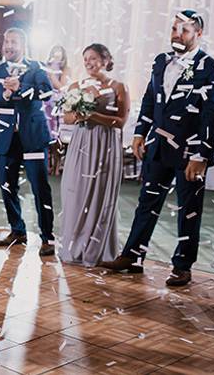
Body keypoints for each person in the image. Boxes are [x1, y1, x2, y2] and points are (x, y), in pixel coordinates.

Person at [100, 11, 214, 286]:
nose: (177, 34)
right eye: (175, 29)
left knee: (189, 208)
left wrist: (202, 154)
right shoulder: (161, 61)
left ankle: (182, 266)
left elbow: (212, 113)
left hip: (190, 151)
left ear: (198, 34)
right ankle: (132, 256)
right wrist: (140, 132)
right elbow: (151, 97)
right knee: (147, 203)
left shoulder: (209, 66)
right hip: (158, 146)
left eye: (185, 31)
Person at [0, 27, 56, 256]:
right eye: (6, 42)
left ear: (23, 45)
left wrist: (20, 88)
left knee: (40, 187)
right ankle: (17, 230)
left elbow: (47, 94)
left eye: (13, 42)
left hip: (32, 137)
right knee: (6, 184)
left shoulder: (36, 68)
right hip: (6, 138)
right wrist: (3, 96)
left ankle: (47, 237)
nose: (8, 46)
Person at [58, 44, 128, 266]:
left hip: (106, 143)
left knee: (100, 192)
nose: (89, 63)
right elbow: (67, 118)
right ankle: (75, 246)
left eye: (94, 58)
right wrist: (79, 115)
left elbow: (121, 122)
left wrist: (93, 115)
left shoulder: (118, 87)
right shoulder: (76, 86)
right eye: (86, 58)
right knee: (76, 191)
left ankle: (97, 249)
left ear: (106, 60)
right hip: (82, 143)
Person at [44, 44, 71, 175]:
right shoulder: (45, 67)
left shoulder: (65, 69)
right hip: (45, 104)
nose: (56, 55)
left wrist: (52, 75)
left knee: (56, 138)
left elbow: (61, 87)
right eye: (54, 52)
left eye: (59, 52)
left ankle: (56, 166)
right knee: (45, 136)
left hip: (57, 105)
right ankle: (46, 165)